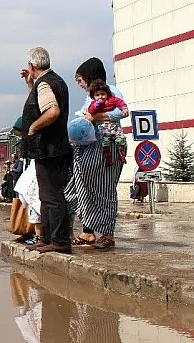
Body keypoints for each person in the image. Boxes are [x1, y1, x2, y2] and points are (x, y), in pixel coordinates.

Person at [65, 57, 128, 249]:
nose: (79, 84)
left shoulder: (110, 91)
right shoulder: (90, 96)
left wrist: (98, 117)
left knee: (104, 189)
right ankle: (88, 231)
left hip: (107, 146)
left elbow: (123, 111)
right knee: (81, 187)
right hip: (89, 147)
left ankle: (108, 234)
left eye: (80, 79)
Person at [20, 47, 72, 254]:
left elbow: (52, 111)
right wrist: (30, 84)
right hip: (56, 148)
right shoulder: (53, 81)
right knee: (48, 195)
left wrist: (33, 127)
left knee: (51, 196)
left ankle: (58, 240)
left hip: (48, 149)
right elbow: (43, 103)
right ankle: (49, 238)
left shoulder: (45, 84)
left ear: (32, 66)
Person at [87, 81, 129, 166]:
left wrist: (124, 108)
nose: (100, 97)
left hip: (114, 126)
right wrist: (97, 105)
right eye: (97, 95)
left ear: (107, 94)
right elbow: (90, 111)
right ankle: (107, 156)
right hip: (103, 127)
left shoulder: (111, 100)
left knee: (120, 139)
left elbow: (120, 102)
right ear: (93, 97)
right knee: (105, 142)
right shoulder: (94, 104)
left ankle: (121, 153)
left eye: (103, 94)